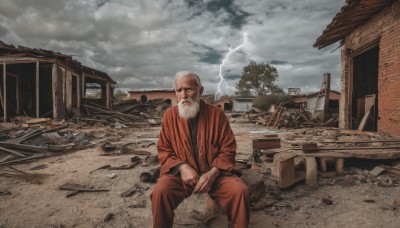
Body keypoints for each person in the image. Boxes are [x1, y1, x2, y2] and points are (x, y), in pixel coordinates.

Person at [150, 71, 250, 228]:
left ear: (200, 91)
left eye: (189, 89)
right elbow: (164, 149)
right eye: (179, 90)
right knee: (159, 193)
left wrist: (213, 172)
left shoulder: (217, 115)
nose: (184, 95)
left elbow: (228, 149)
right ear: (175, 93)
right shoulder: (169, 116)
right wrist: (182, 167)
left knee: (239, 191)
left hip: (216, 173)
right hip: (180, 175)